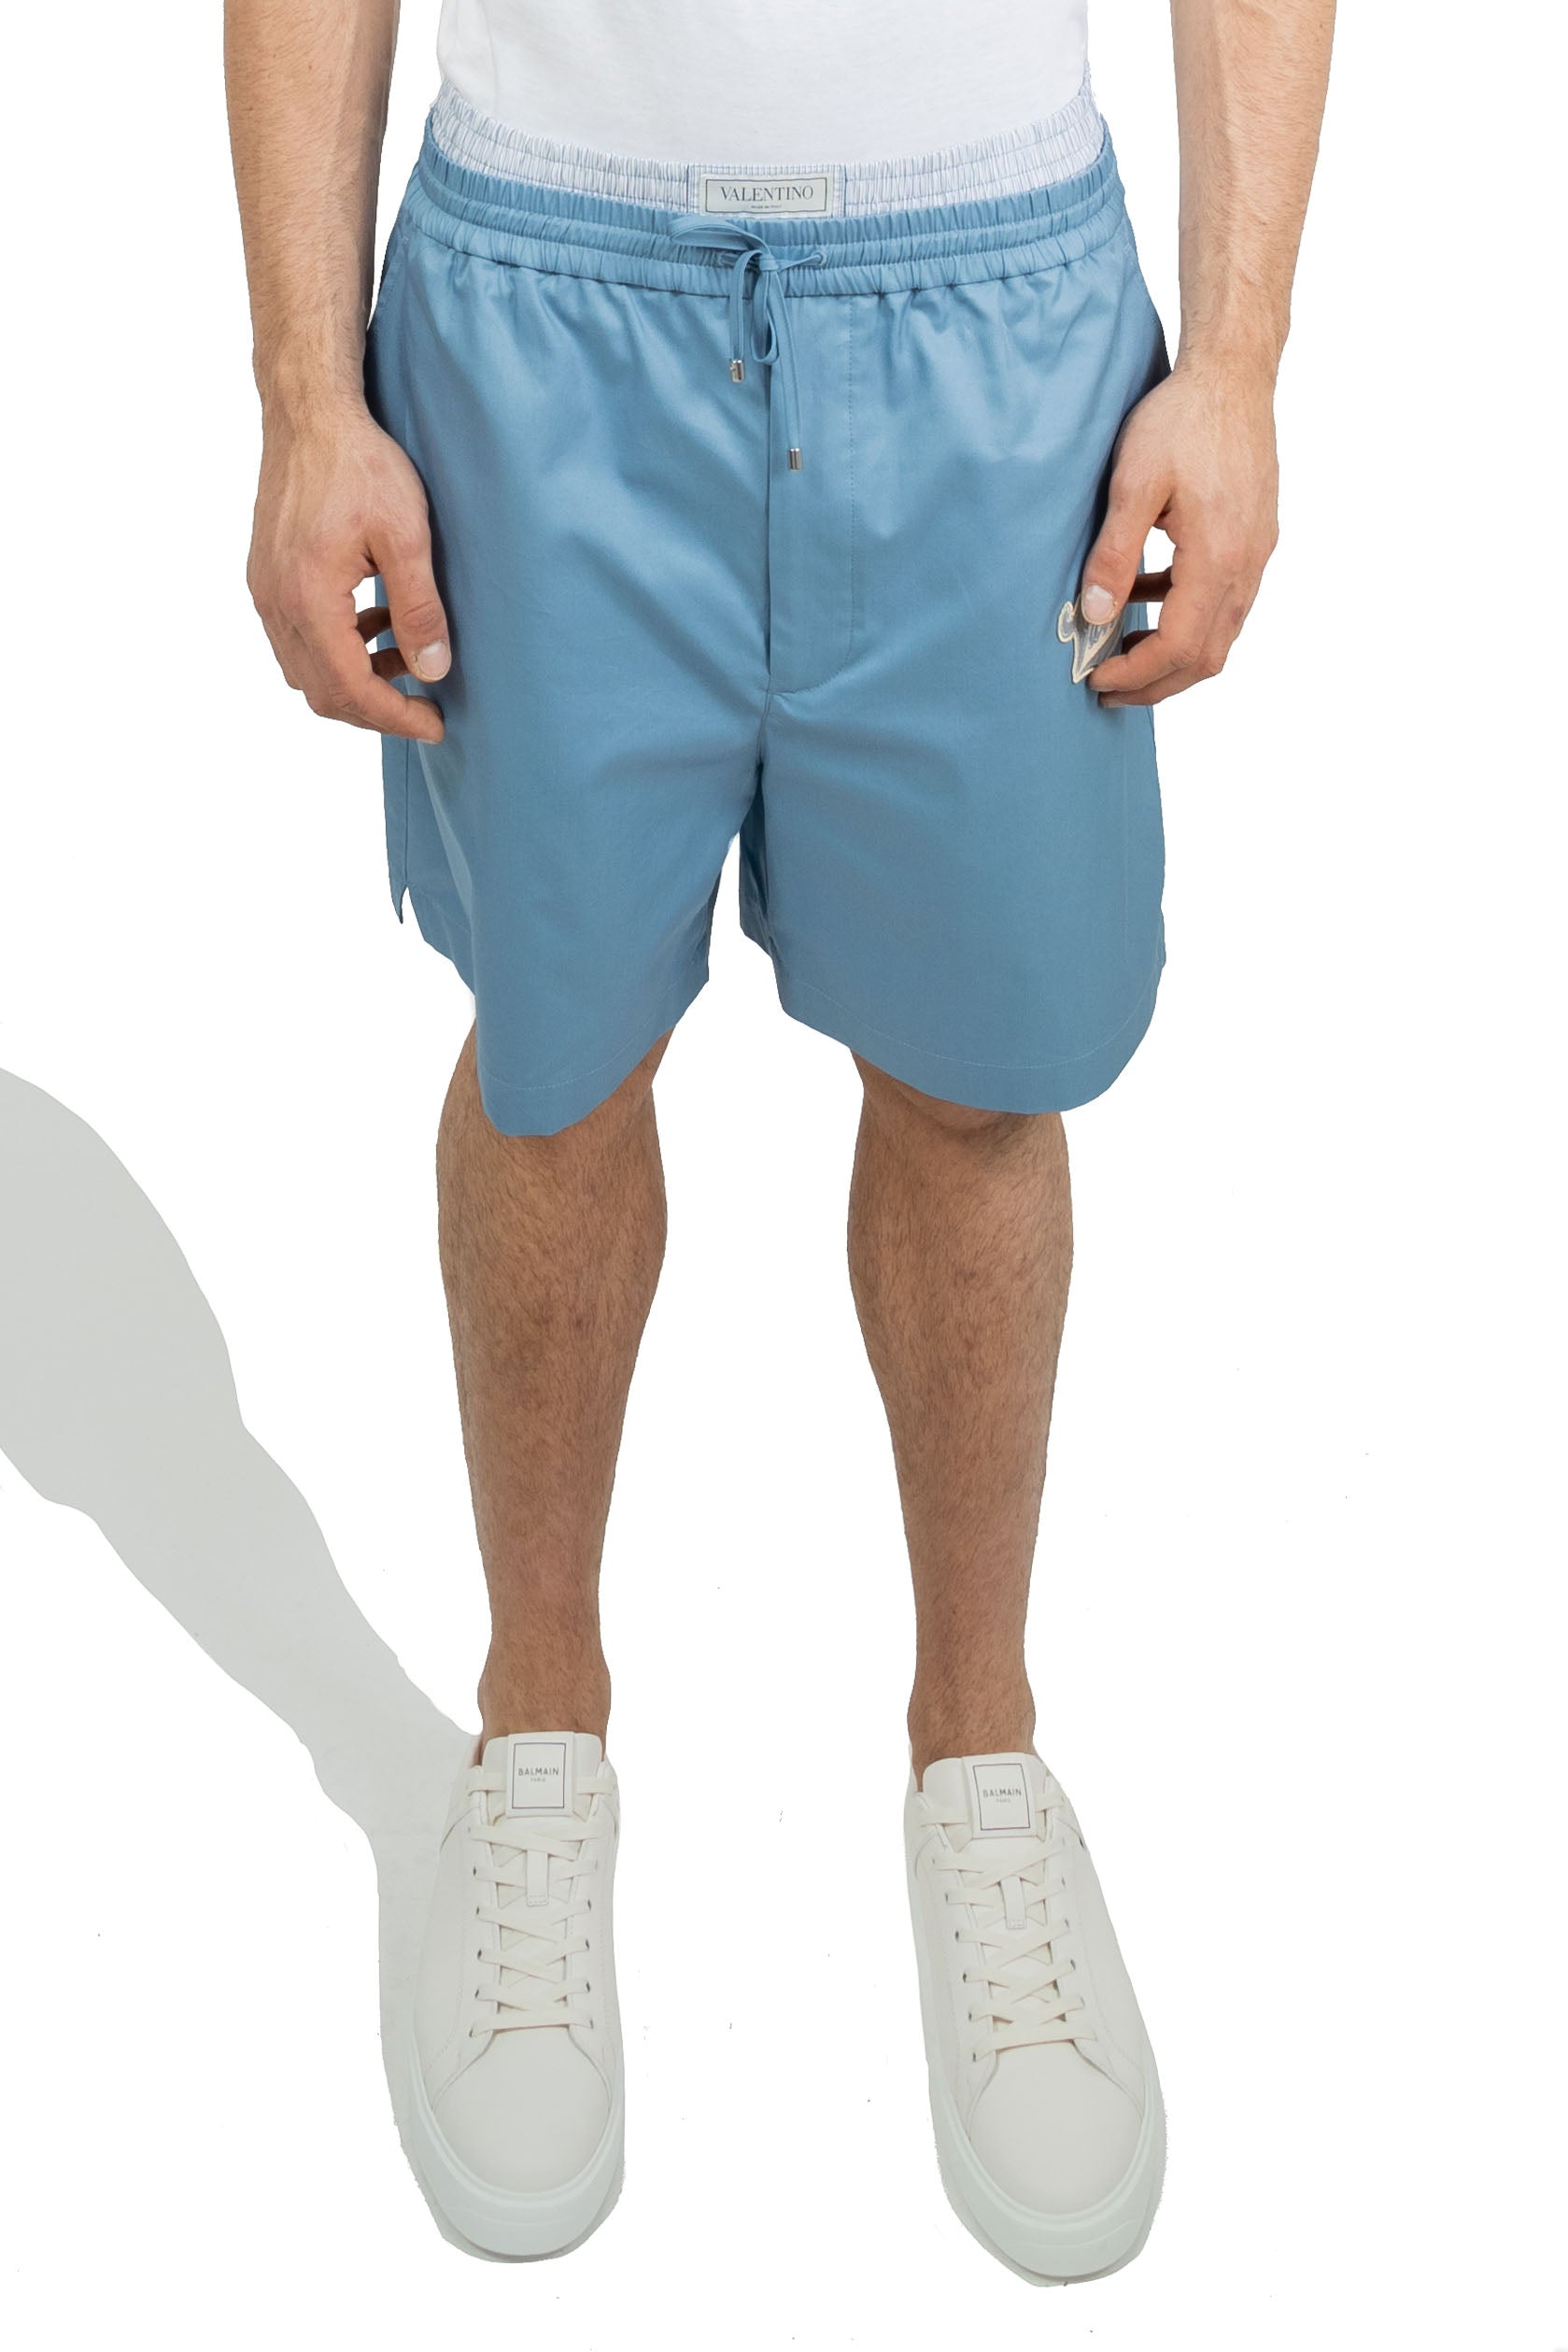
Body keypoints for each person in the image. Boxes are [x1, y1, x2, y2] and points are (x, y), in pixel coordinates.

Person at [226, 0, 1332, 2276]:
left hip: (991, 294)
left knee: (977, 1084)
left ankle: (979, 1757)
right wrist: (304, 395)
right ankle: (539, 1740)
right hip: (546, 293)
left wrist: (1236, 364)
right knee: (557, 1070)